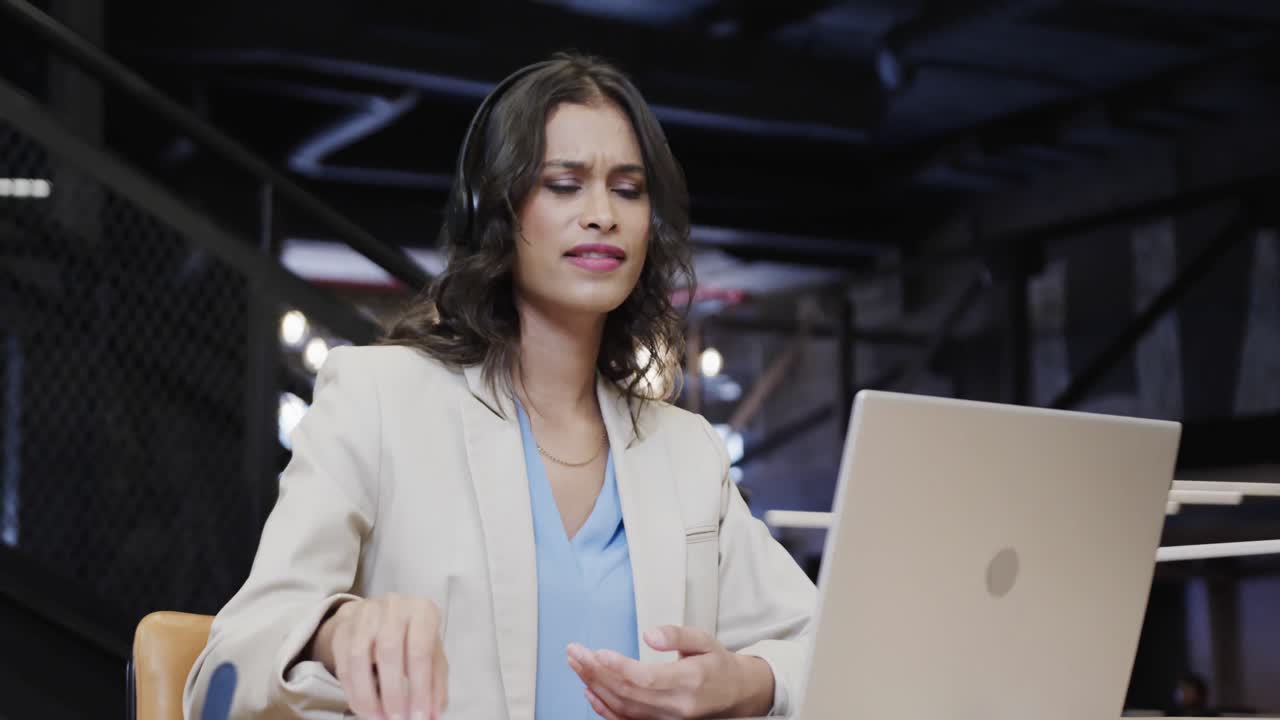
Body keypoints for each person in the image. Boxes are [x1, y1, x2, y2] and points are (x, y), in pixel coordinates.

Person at [184, 52, 815, 720]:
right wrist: (337, 633)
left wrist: (746, 682)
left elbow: (825, 645)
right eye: (564, 184)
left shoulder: (687, 452)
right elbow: (225, 672)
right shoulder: (378, 398)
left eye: (627, 189)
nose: (602, 213)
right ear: (496, 210)